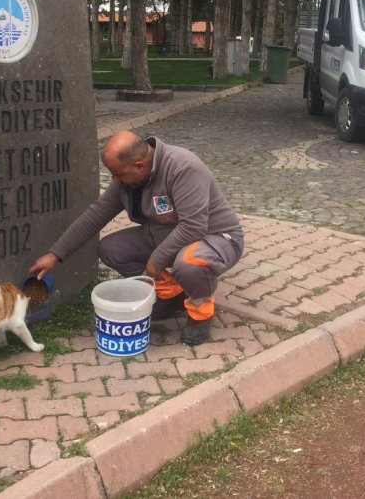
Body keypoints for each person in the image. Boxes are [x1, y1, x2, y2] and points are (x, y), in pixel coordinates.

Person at [27, 130, 244, 346]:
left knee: (189, 264)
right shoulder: (129, 178)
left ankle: (200, 313)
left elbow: (193, 227)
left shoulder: (182, 167)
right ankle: (171, 296)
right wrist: (56, 253)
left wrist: (156, 261)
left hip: (216, 238)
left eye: (118, 174)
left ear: (139, 166)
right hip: (166, 234)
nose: (114, 180)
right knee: (112, 249)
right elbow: (96, 214)